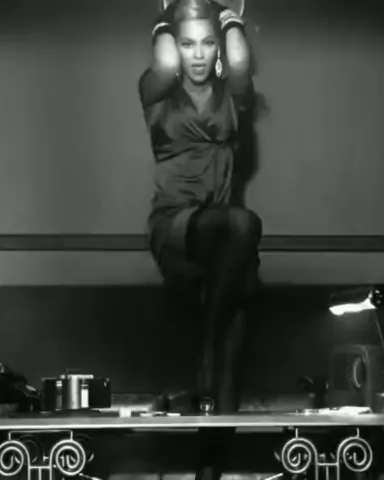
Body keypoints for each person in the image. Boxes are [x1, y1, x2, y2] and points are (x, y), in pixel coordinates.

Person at [138, 0, 261, 415]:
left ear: (218, 48)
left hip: (222, 241)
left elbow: (240, 62)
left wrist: (225, 12)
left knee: (241, 302)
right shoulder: (157, 92)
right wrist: (168, 13)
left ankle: (217, 440)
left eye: (208, 43)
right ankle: (206, 349)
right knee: (245, 225)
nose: (197, 54)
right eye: (187, 43)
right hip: (176, 225)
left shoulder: (232, 95)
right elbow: (166, 62)